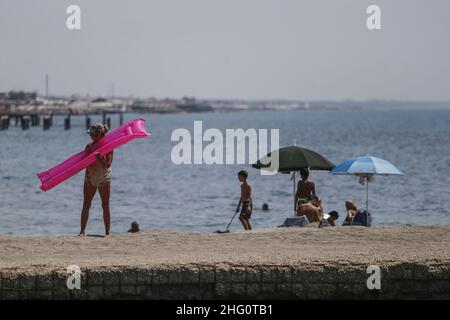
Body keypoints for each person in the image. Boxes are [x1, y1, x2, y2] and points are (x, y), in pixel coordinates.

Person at [79, 124, 113, 237]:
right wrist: (86, 152)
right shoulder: (89, 146)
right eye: (90, 134)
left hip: (103, 177)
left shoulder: (108, 147)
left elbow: (108, 164)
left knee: (105, 204)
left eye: (92, 134)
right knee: (86, 203)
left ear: (99, 134)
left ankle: (107, 232)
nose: (90, 136)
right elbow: (83, 161)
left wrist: (99, 158)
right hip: (90, 176)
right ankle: (82, 231)